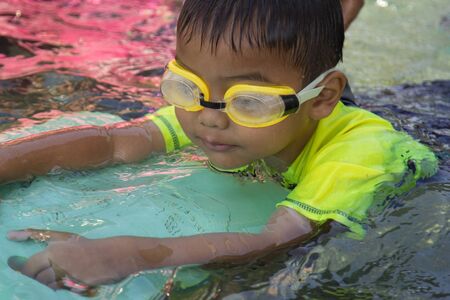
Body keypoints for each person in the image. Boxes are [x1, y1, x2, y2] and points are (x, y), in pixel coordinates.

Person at [3, 0, 437, 293]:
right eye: (186, 86)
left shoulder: (361, 154)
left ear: (323, 98)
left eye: (248, 100)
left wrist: (131, 253)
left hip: (433, 120)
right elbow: (115, 143)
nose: (210, 118)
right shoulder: (217, 104)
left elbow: (279, 239)